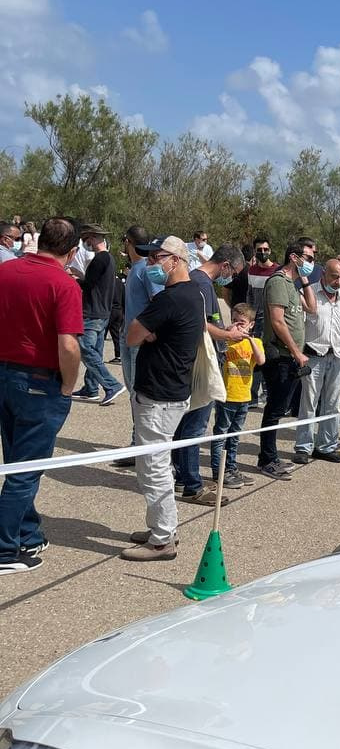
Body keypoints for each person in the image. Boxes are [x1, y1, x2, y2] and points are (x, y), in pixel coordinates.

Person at [0, 217, 82, 572]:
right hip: (38, 381)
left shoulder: (7, 270)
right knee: (26, 470)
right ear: (72, 251)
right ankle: (4, 549)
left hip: (5, 374)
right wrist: (68, 383)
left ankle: (27, 532)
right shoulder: (63, 285)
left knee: (18, 458)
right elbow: (69, 344)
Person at [123, 236, 206, 561]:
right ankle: (163, 526)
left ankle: (161, 540)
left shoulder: (170, 298)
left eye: (157, 258)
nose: (151, 265)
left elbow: (132, 335)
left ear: (176, 260)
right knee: (153, 464)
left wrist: (147, 333)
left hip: (159, 395)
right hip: (169, 391)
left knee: (154, 467)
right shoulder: (193, 294)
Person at [171, 244, 247, 505]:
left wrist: (223, 329)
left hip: (195, 359)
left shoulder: (198, 281)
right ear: (225, 265)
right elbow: (200, 324)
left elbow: (208, 321)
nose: (232, 278)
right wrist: (228, 335)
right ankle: (192, 484)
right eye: (233, 272)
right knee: (195, 425)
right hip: (200, 363)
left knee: (186, 422)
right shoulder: (201, 284)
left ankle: (182, 475)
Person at [258, 237, 317, 478]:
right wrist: (296, 351)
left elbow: (312, 308)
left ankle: (270, 457)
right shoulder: (278, 282)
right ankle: (267, 459)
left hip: (291, 357)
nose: (312, 263)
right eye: (309, 258)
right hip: (280, 356)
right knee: (274, 409)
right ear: (294, 256)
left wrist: (304, 280)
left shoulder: (292, 283)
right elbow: (277, 320)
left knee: (280, 408)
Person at [292, 258, 340, 464]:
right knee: (309, 403)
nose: (338, 281)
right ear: (324, 274)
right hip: (313, 356)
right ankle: (303, 447)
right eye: (335, 276)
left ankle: (326, 446)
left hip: (336, 356)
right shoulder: (309, 294)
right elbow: (298, 326)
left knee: (333, 404)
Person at [112, 225, 156, 469]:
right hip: (126, 338)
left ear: (128, 242)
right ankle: (136, 443)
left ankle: (140, 446)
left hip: (139, 342)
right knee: (133, 394)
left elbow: (157, 302)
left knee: (140, 395)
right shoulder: (135, 269)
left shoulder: (148, 270)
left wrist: (149, 332)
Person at [210, 302, 263, 488]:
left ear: (251, 324)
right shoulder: (226, 341)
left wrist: (248, 339)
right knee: (221, 434)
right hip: (227, 396)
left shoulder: (255, 343)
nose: (237, 325)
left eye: (242, 322)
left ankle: (231, 468)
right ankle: (218, 472)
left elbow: (261, 360)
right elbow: (217, 343)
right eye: (234, 320)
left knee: (235, 435)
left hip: (244, 396)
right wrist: (227, 331)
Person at [72, 224, 124, 405]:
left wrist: (75, 279)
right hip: (103, 311)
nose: (85, 243)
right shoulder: (109, 259)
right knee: (96, 350)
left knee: (86, 349)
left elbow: (88, 285)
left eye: (86, 239)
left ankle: (111, 385)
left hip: (92, 311)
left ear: (92, 238)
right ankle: (91, 387)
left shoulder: (99, 260)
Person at [246, 236, 279, 405]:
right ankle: (252, 395)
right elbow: (250, 296)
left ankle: (269, 392)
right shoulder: (251, 271)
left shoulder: (277, 271)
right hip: (255, 321)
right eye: (259, 250)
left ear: (270, 250)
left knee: (270, 357)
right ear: (254, 251)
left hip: (272, 322)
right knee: (255, 356)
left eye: (266, 250)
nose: (263, 253)